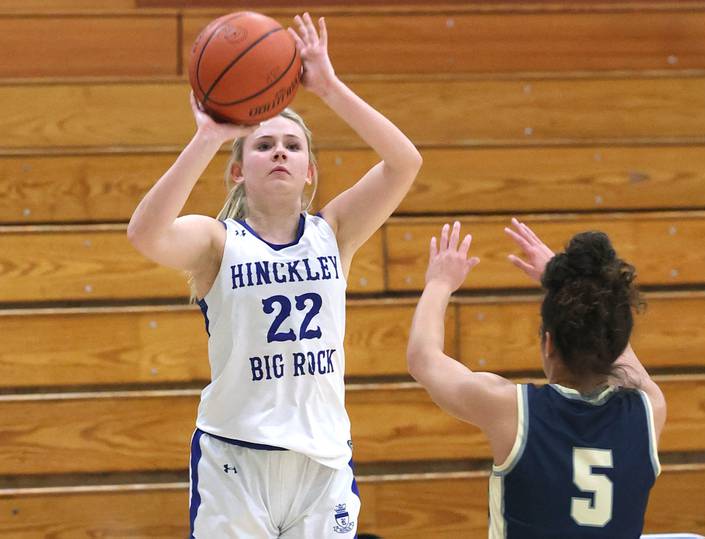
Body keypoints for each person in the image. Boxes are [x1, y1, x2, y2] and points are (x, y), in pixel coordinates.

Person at [127, 13, 421, 538]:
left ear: (310, 170)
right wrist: (210, 135)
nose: (279, 150)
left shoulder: (334, 231)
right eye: (263, 145)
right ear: (239, 169)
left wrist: (329, 88)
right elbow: (146, 234)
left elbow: (404, 162)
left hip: (322, 459)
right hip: (236, 457)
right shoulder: (217, 241)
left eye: (293, 145)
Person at [406, 219, 666, 538]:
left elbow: (423, 358)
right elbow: (616, 345)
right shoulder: (648, 411)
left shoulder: (512, 411)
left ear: (548, 342)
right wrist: (575, 291)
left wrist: (439, 283)